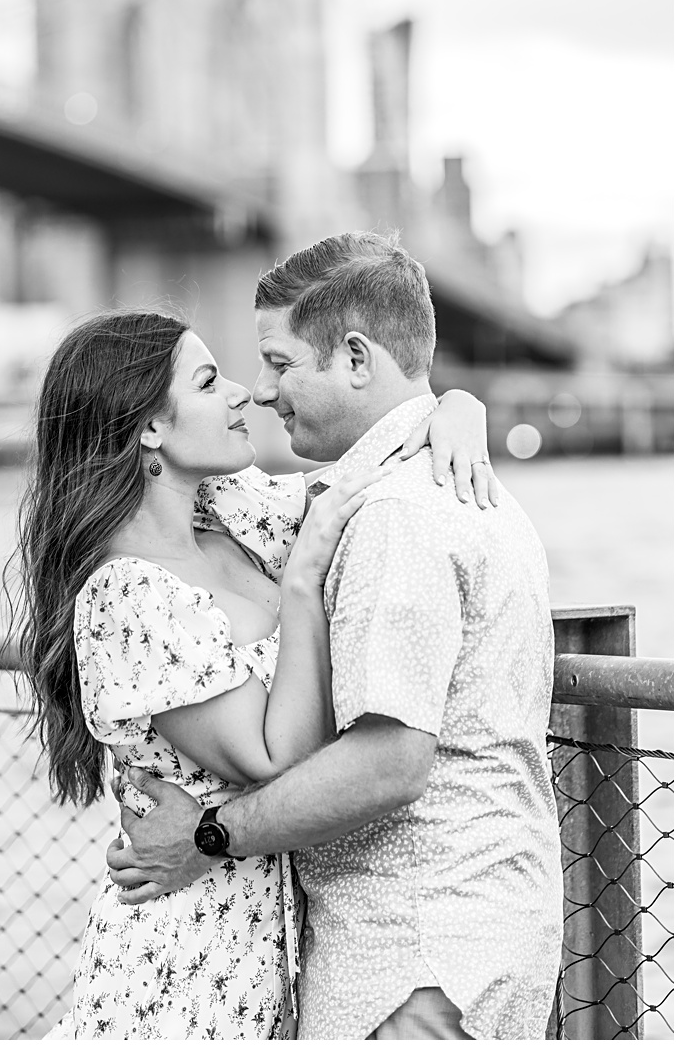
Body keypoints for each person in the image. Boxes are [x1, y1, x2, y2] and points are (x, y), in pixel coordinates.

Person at [105, 232, 562, 1040]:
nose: (261, 390)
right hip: (454, 940)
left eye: (279, 363)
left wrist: (208, 836)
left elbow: (390, 760)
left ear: (355, 357)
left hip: (415, 958)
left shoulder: (397, 516)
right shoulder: (405, 490)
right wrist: (455, 404)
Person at [13, 291, 501, 1039]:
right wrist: (301, 585)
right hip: (183, 968)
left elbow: (366, 476)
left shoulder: (228, 514)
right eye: (209, 383)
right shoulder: (127, 595)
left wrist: (457, 408)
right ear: (149, 427)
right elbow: (276, 758)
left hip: (266, 951)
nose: (245, 392)